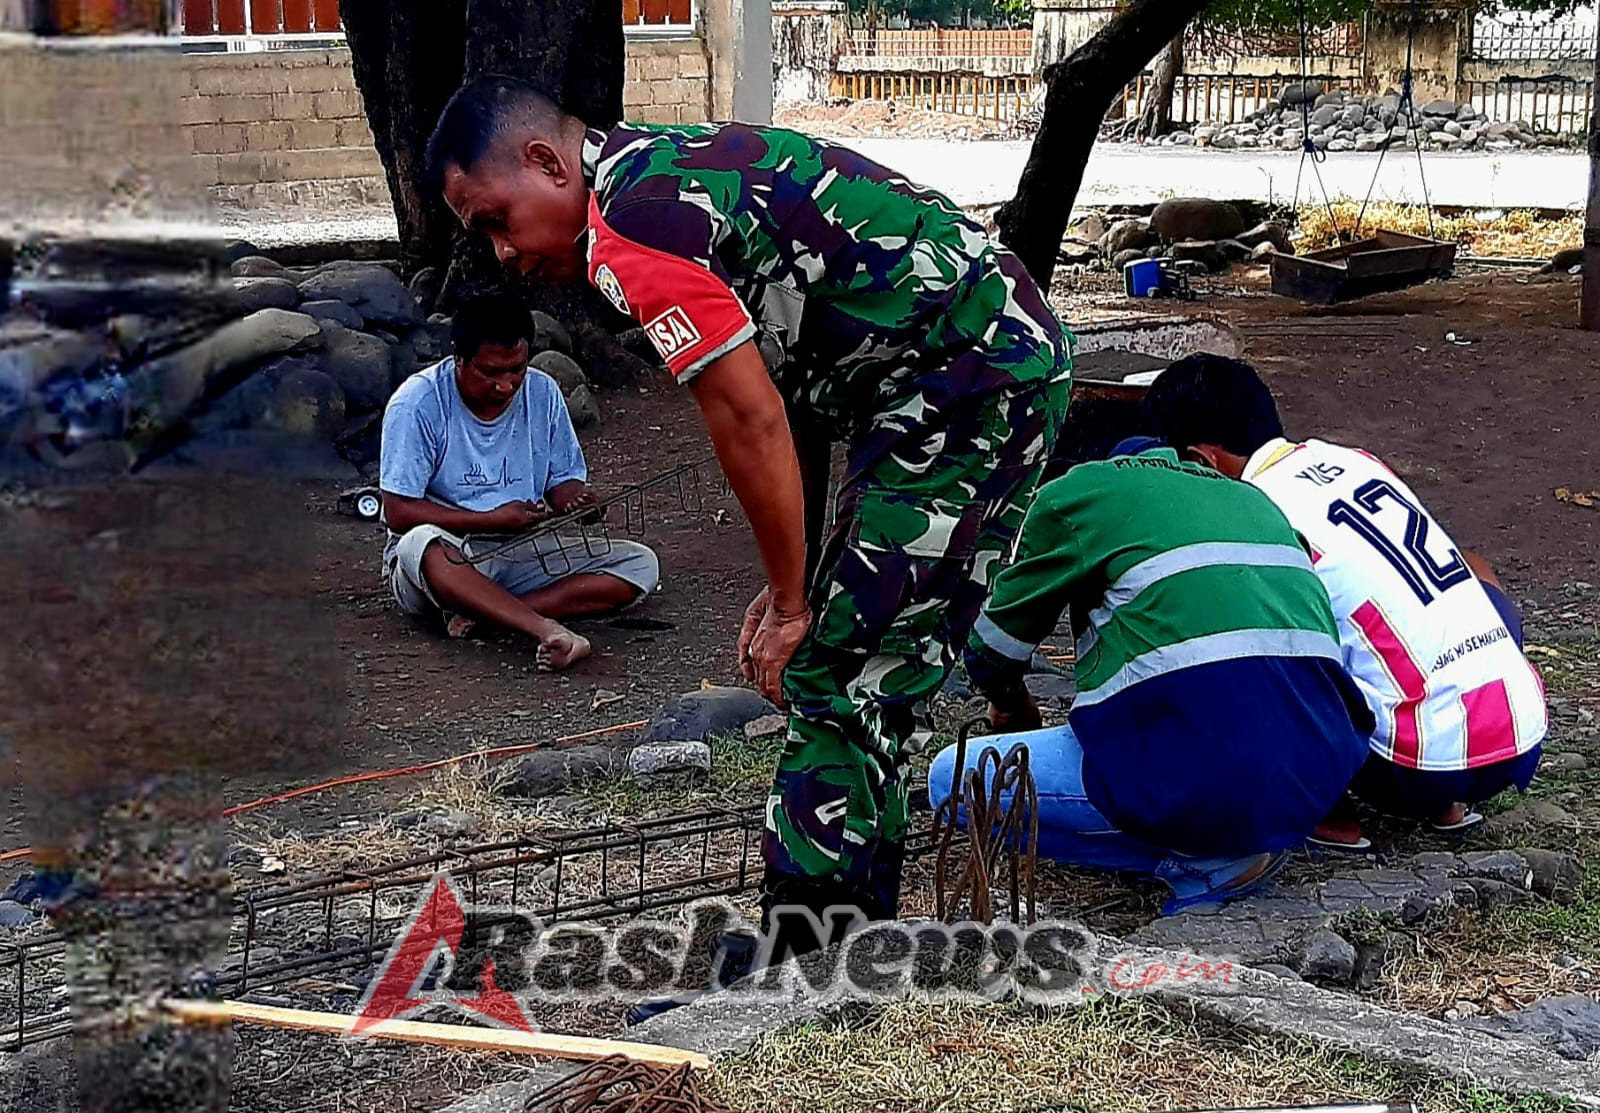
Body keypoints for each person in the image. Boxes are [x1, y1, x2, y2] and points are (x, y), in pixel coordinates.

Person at [424, 78, 1072, 953]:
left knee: (835, 677)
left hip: (968, 382)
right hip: (950, 377)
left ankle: (805, 959)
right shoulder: (661, 172)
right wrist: (794, 583)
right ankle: (852, 936)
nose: (500, 253)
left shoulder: (632, 230)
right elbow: (783, 388)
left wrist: (793, 604)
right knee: (862, 669)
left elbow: (747, 417)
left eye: (495, 219)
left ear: (546, 161)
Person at [932, 438, 1374, 914]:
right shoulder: (1254, 501)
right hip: (1318, 777)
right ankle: (1240, 833)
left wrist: (1010, 703)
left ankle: (1206, 861)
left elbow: (993, 650)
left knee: (951, 780)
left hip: (1213, 774)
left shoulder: (1079, 493)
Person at [1144, 355, 1548, 848]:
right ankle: (1451, 803)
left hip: (1416, 768)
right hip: (1521, 730)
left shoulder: (1253, 511)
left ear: (1203, 459)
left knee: (1243, 650)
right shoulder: (1355, 459)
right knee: (1470, 579)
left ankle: (1330, 813)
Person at [379, 291, 660, 669]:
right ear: (457, 358)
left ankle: (489, 615)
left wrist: (579, 502)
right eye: (491, 373)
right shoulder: (417, 403)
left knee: (641, 565)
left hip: (519, 548)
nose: (507, 386)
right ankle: (545, 629)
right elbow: (398, 512)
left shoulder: (542, 392)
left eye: (517, 370)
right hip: (448, 559)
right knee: (420, 543)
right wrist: (489, 520)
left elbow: (562, 484)